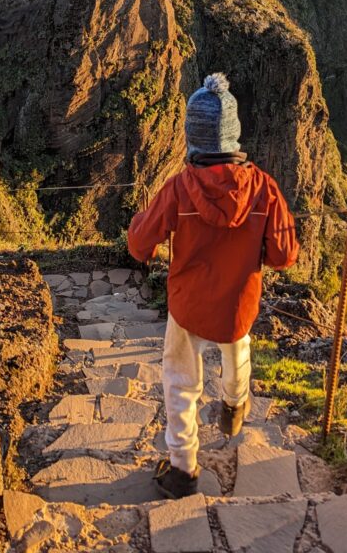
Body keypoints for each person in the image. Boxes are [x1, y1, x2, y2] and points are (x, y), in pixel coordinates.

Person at [127, 71, 300, 499]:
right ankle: (235, 404)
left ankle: (183, 469)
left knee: (180, 381)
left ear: (193, 136)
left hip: (188, 307)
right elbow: (284, 256)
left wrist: (139, 224)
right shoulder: (265, 190)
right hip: (237, 305)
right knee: (237, 352)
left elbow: (138, 244)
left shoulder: (178, 190)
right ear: (234, 134)